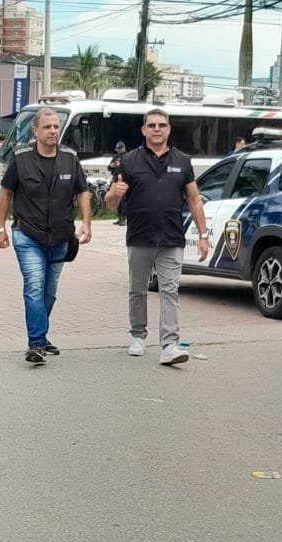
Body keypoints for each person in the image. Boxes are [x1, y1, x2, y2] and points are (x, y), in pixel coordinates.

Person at [106, 108, 209, 367]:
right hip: (140, 237)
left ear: (169, 129)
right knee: (137, 290)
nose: (157, 129)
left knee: (170, 291)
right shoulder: (129, 161)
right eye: (151, 125)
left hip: (172, 237)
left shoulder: (183, 161)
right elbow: (109, 204)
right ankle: (138, 336)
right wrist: (115, 194)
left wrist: (204, 234)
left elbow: (195, 200)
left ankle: (169, 345)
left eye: (162, 125)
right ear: (143, 130)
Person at [0, 108, 93, 364]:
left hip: (60, 236)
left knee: (49, 293)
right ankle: (36, 343)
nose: (53, 131)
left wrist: (87, 223)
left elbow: (82, 192)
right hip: (28, 235)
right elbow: (6, 193)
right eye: (47, 127)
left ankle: (41, 334)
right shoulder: (21, 158)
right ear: (35, 131)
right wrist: (0, 227)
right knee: (34, 287)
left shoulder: (70, 158)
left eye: (56, 127)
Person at [108, 141, 128, 226]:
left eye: (119, 149)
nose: (118, 151)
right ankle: (119, 217)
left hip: (123, 179)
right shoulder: (116, 157)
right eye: (117, 149)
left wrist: (120, 164)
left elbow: (128, 167)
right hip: (115, 179)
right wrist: (111, 165)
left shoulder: (127, 156)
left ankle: (124, 218)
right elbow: (109, 167)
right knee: (117, 199)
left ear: (123, 148)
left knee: (123, 199)